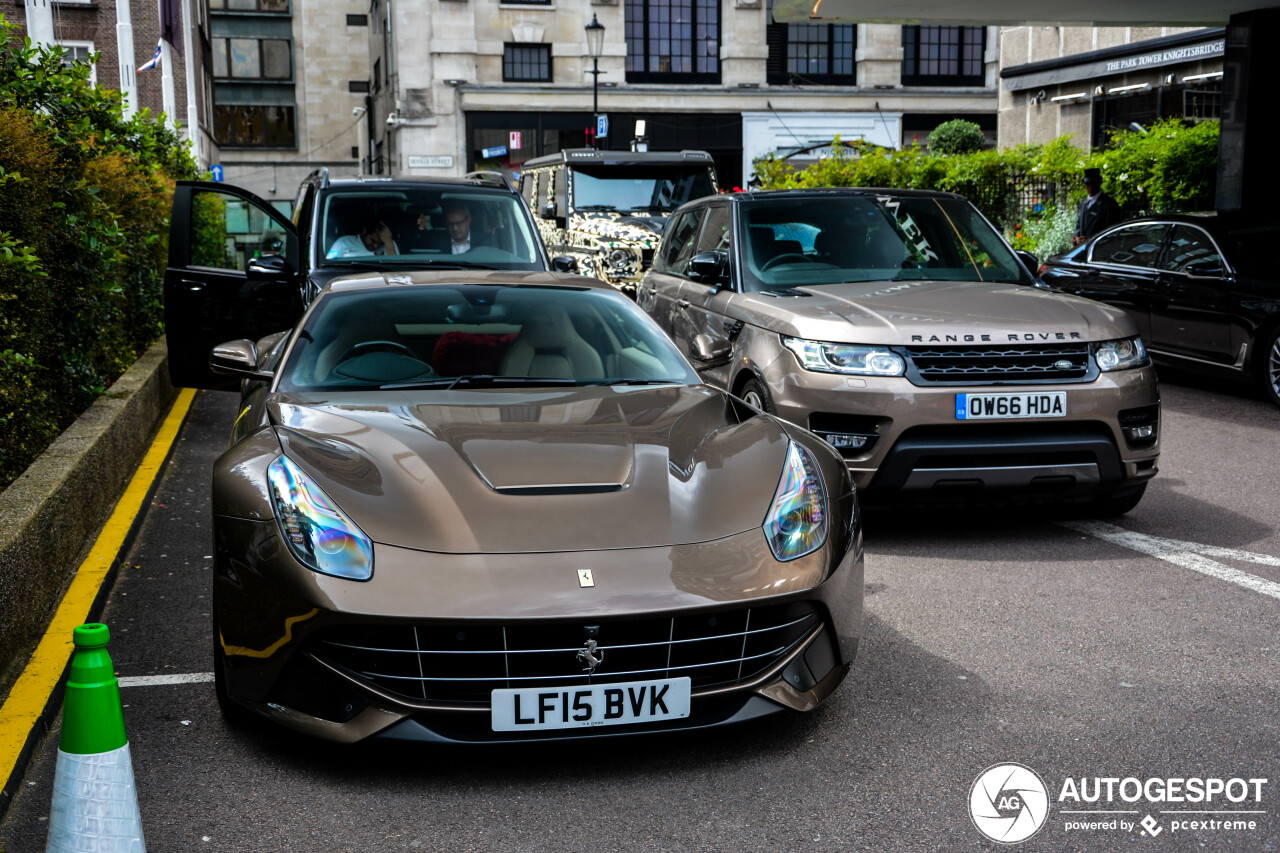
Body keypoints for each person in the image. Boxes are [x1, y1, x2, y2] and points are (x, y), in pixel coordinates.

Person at [1071, 168, 1122, 247]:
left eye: (1093, 184)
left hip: (1100, 251)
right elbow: (1079, 226)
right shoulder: (1083, 203)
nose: (1090, 188)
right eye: (1088, 185)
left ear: (1099, 183)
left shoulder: (1109, 204)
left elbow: (1113, 233)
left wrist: (1091, 240)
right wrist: (1075, 237)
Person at [326, 218, 399, 258]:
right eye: (373, 240)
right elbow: (329, 267)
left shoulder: (389, 243)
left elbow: (397, 270)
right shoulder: (343, 242)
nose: (376, 246)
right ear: (365, 231)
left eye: (380, 243)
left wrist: (388, 242)